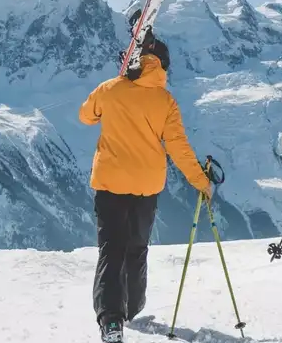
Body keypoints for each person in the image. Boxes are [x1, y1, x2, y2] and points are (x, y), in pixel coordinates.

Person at [78, 31, 212, 343]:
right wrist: (201, 182)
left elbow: (85, 116)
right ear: (162, 66)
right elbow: (178, 147)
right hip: (146, 187)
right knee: (137, 249)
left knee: (112, 250)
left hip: (111, 185)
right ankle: (133, 307)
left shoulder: (109, 89)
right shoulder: (165, 101)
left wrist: (109, 95)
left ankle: (112, 321)